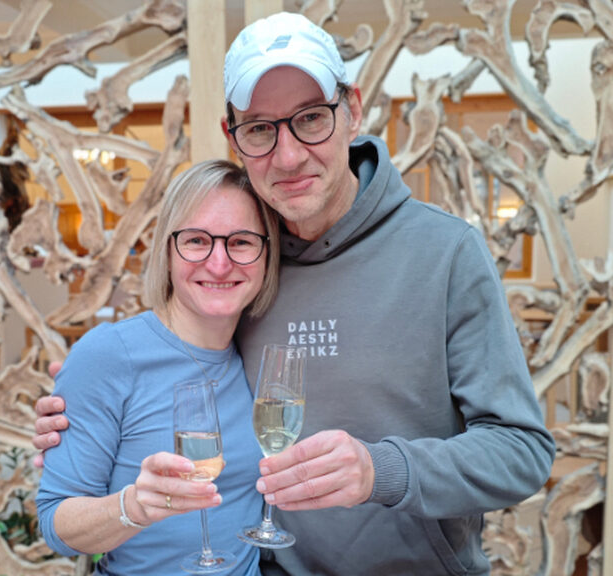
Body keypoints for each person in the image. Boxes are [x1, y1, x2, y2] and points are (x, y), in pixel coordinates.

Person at [34, 12, 555, 576]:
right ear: (234, 137)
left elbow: (522, 453)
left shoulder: (446, 252)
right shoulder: (249, 262)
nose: (286, 156)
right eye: (260, 128)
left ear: (352, 110)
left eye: (310, 118)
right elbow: (174, 355)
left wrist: (381, 470)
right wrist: (91, 409)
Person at [36, 159, 280, 576]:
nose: (219, 263)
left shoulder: (260, 351)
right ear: (167, 251)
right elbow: (56, 524)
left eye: (240, 242)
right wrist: (133, 506)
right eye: (197, 240)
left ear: (266, 255)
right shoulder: (108, 354)